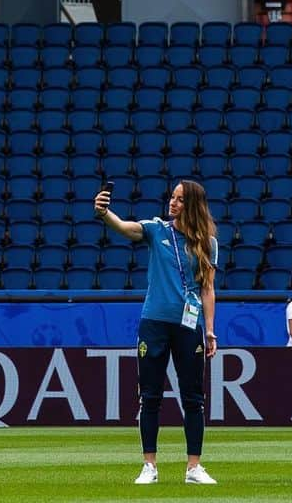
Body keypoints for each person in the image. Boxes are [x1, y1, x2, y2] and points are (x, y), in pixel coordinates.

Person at [94, 179, 219, 486]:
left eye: (179, 199)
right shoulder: (155, 229)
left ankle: (194, 467)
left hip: (189, 327)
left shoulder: (208, 243)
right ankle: (149, 465)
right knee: (150, 397)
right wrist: (104, 213)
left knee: (194, 398)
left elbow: (208, 289)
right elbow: (125, 228)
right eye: (172, 198)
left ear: (192, 205)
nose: (172, 203)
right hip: (154, 323)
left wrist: (211, 331)